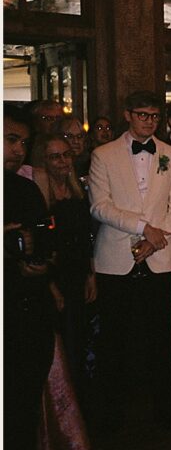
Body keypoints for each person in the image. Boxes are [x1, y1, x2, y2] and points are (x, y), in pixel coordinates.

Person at [89, 90, 171, 432]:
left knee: (159, 336)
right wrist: (144, 228)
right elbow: (100, 206)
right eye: (143, 115)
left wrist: (157, 237)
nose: (149, 121)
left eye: (155, 116)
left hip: (159, 256)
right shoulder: (103, 154)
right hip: (115, 256)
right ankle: (110, 415)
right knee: (114, 337)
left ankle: (164, 411)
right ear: (128, 114)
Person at [3, 106, 72, 450]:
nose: (18, 149)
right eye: (10, 139)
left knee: (20, 405)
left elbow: (44, 238)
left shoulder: (24, 188)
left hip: (25, 312)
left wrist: (40, 262)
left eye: (23, 142)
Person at [31, 134, 97, 405]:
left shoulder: (78, 192)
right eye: (55, 156)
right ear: (43, 160)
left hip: (78, 272)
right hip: (52, 276)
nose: (62, 162)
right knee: (60, 344)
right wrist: (51, 286)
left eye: (66, 155)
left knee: (78, 340)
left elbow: (86, 238)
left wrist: (91, 275)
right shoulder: (37, 194)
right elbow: (40, 247)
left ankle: (80, 406)